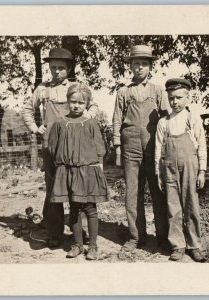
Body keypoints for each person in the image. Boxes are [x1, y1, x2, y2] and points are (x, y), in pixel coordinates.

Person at [22, 48, 99, 247]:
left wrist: (86, 119)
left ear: (69, 68)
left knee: (77, 188)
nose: (56, 71)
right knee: (54, 188)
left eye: (61, 68)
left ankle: (79, 236)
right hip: (51, 146)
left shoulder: (76, 87)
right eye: (53, 67)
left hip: (75, 147)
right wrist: (34, 127)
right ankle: (55, 233)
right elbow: (27, 109)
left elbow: (94, 107)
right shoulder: (42, 89)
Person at [112, 45, 169, 252]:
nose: (139, 68)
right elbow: (117, 121)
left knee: (158, 191)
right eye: (136, 64)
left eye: (144, 64)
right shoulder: (123, 92)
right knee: (132, 193)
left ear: (150, 67)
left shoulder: (158, 90)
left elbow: (166, 118)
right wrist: (118, 148)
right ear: (130, 66)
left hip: (154, 148)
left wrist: (165, 149)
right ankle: (136, 236)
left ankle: (163, 238)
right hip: (130, 148)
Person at [48, 83, 110, 260]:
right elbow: (53, 147)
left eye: (81, 103)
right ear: (68, 101)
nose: (76, 106)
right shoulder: (60, 123)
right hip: (69, 172)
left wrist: (97, 168)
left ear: (87, 104)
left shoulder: (90, 123)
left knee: (90, 208)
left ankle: (93, 246)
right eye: (73, 101)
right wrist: (64, 165)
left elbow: (99, 148)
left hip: (88, 172)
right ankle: (77, 245)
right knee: (74, 208)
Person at [155, 78, 207, 262]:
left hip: (190, 166)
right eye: (171, 98)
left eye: (178, 97)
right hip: (168, 167)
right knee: (173, 207)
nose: (174, 102)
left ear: (187, 97)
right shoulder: (164, 123)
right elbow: (158, 149)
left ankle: (194, 245)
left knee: (191, 203)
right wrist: (158, 173)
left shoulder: (193, 119)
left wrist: (202, 171)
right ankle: (177, 245)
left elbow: (201, 146)